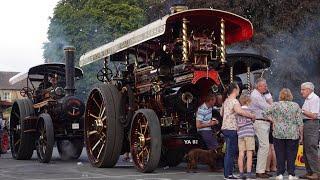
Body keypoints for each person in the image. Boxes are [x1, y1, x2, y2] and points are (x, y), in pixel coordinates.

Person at [263, 88, 303, 180]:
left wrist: (273, 120)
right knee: (291, 154)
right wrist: (301, 135)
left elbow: (264, 113)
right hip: (293, 134)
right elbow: (299, 122)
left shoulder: (275, 105)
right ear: (290, 95)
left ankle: (280, 174)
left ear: (280, 95)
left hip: (278, 133)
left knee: (279, 153)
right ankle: (291, 174)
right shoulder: (295, 105)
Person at [221, 82, 255, 180]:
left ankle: (227, 173)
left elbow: (221, 113)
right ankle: (229, 175)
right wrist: (251, 115)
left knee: (228, 151)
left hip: (225, 127)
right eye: (238, 88)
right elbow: (240, 111)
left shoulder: (226, 101)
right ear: (235, 90)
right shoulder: (234, 101)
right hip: (232, 128)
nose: (239, 90)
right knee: (230, 152)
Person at [250, 78, 273, 178]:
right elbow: (268, 108)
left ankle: (261, 170)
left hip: (262, 122)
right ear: (259, 86)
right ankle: (260, 171)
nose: (266, 87)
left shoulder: (259, 95)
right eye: (265, 86)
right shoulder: (256, 96)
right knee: (264, 146)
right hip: (260, 122)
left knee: (264, 146)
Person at [299, 82, 320, 180]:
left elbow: (314, 115)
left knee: (311, 148)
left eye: (303, 89)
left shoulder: (314, 99)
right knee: (306, 149)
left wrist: (301, 111)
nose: (301, 91)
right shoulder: (307, 99)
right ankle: (309, 172)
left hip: (312, 123)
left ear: (309, 90)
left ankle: (316, 173)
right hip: (307, 124)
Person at [236, 94, 256, 180]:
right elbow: (253, 119)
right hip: (249, 133)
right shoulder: (250, 110)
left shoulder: (238, 111)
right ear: (248, 101)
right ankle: (248, 173)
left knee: (241, 153)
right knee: (249, 154)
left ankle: (240, 173)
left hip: (241, 134)